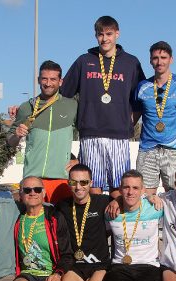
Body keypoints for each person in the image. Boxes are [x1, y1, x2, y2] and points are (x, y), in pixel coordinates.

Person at [61, 16, 145, 198]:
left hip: (119, 136)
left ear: (117, 34)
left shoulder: (131, 62)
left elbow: (141, 98)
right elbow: (64, 93)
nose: (105, 39)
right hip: (91, 133)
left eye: (109, 34)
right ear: (95, 36)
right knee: (93, 186)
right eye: (100, 34)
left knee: (118, 187)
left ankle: (114, 226)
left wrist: (129, 123)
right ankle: (98, 226)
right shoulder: (84, 61)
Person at [7, 60, 78, 204]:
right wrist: (17, 135)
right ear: (39, 80)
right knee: (35, 223)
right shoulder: (27, 107)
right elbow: (10, 141)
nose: (48, 83)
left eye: (53, 79)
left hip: (61, 179)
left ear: (60, 81)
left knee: (60, 224)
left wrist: (80, 159)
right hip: (33, 180)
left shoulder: (72, 106)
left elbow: (90, 133)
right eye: (44, 78)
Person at [134, 41, 176, 194]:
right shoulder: (142, 86)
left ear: (171, 59)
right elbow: (133, 117)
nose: (159, 62)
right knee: (145, 197)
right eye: (155, 58)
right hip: (148, 149)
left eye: (163, 57)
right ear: (150, 60)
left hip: (173, 149)